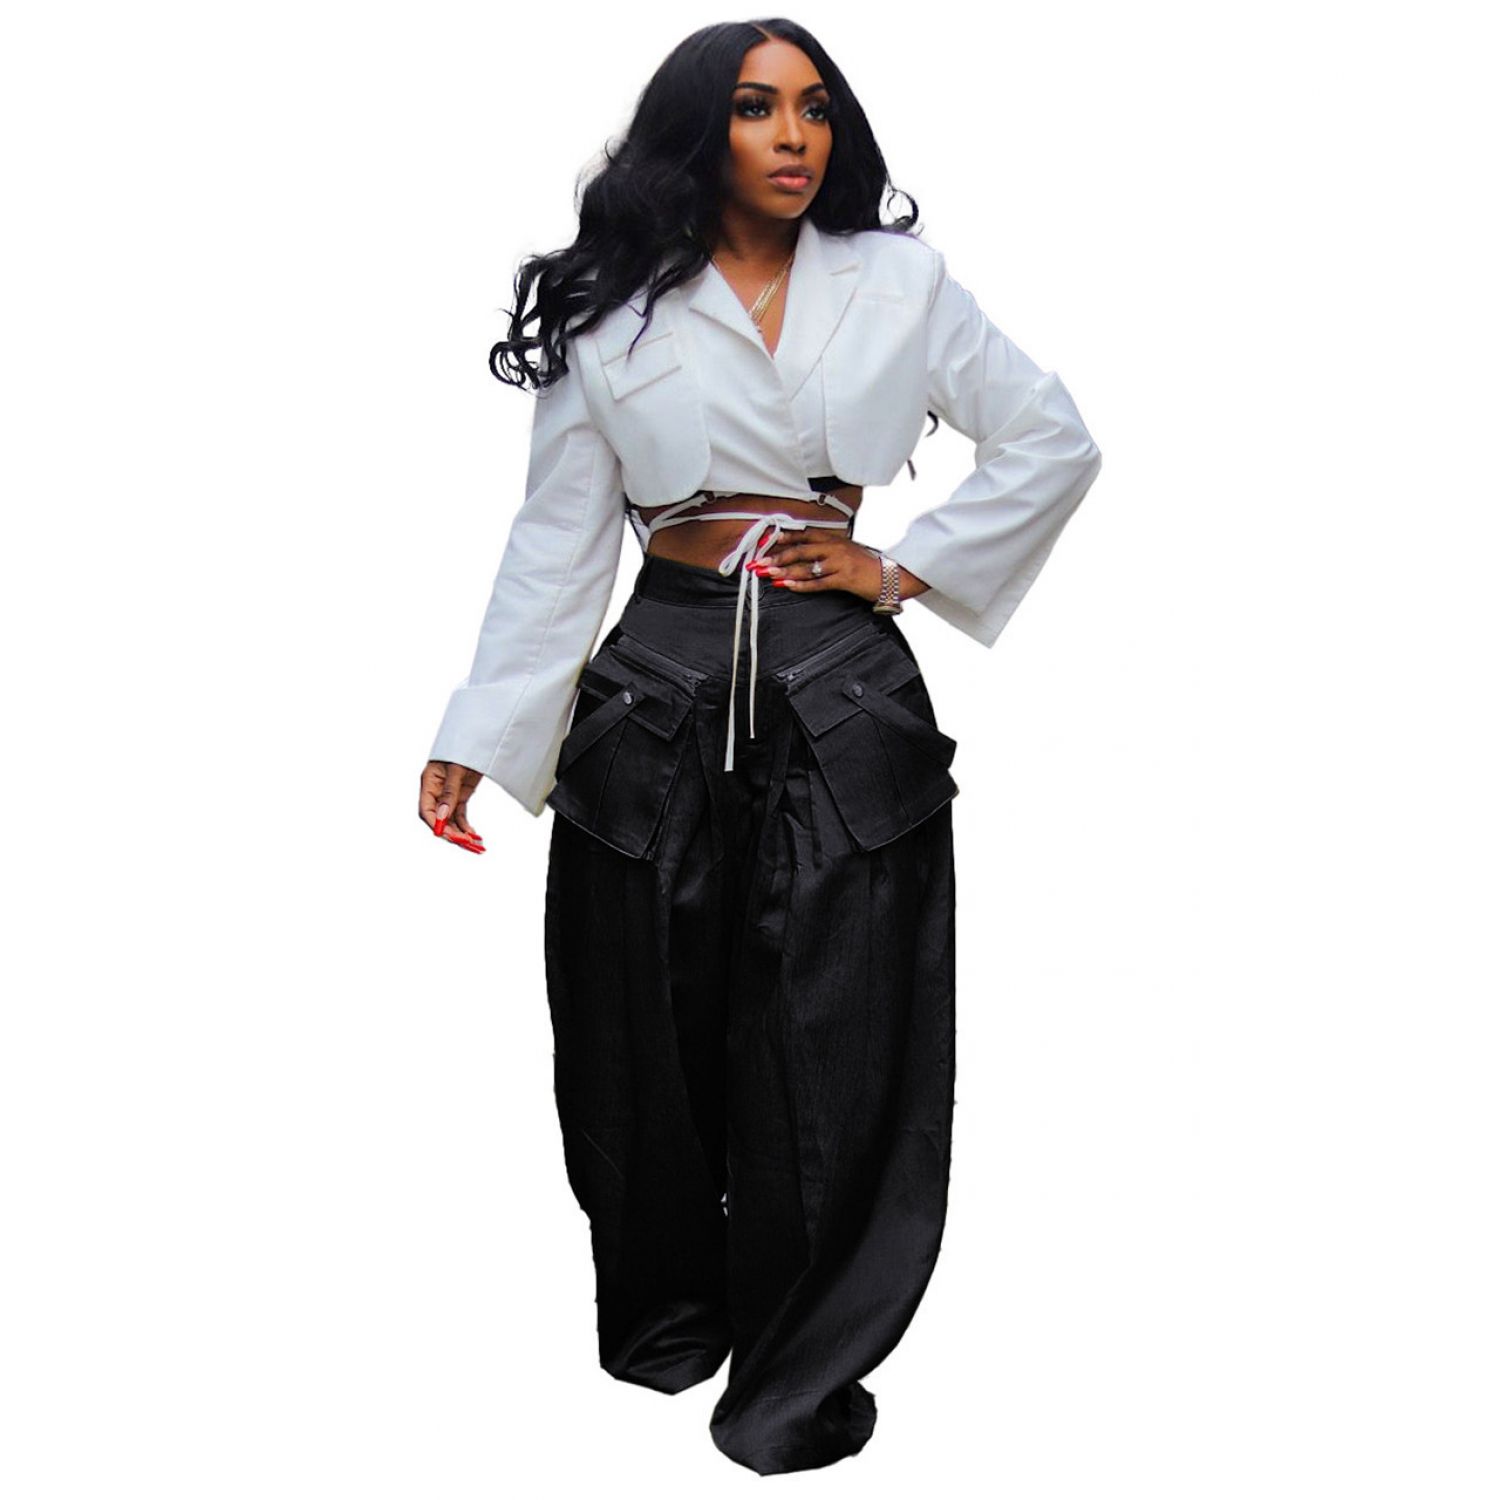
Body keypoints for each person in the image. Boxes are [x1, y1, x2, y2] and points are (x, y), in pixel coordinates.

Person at [417, 18, 1101, 1475]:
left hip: (840, 692)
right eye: (755, 108)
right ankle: (670, 1317)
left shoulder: (900, 283)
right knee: (634, 1032)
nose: (794, 136)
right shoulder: (614, 309)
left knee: (839, 1041)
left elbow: (1052, 438)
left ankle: (797, 1374)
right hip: (652, 689)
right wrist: (482, 729)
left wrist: (904, 567)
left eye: (814, 109)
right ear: (700, 130)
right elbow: (557, 542)